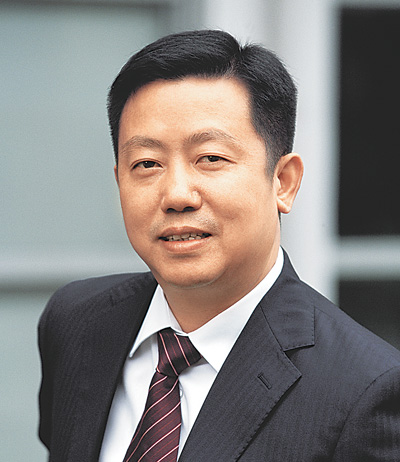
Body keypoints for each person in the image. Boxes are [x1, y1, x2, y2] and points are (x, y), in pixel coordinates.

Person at [38, 30, 400, 461]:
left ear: (283, 182)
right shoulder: (76, 323)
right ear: (119, 180)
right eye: (147, 163)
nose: (176, 195)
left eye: (210, 158)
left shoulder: (364, 390)